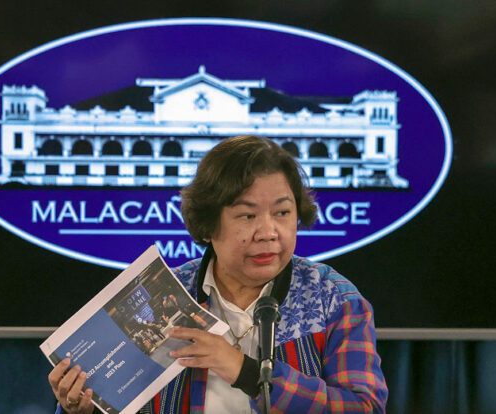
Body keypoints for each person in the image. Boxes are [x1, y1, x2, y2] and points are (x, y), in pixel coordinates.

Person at [48, 135, 388, 413]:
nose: (268, 232)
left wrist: (246, 372)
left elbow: (366, 408)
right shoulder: (164, 291)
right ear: (209, 224)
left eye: (283, 212)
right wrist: (83, 409)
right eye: (247, 216)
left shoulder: (333, 298)